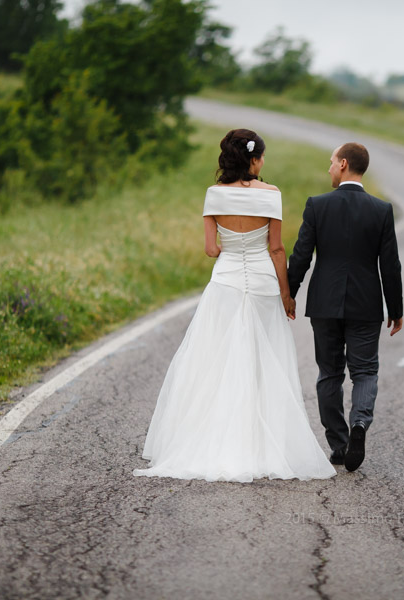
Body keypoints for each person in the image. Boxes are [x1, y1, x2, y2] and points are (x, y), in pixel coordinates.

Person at [133, 128, 336, 483]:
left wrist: (230, 243)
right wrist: (287, 295)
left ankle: (216, 439)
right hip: (261, 283)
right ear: (254, 160)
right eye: (262, 157)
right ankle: (261, 443)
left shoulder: (213, 195)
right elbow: (276, 249)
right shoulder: (272, 194)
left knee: (217, 360)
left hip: (226, 283)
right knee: (262, 362)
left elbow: (211, 250)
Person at [287, 142, 403, 473]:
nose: (328, 168)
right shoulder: (381, 210)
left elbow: (301, 255)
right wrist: (395, 308)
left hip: (324, 303)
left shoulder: (317, 206)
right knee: (365, 371)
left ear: (343, 164)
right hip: (366, 305)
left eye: (330, 162)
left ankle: (339, 445)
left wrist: (290, 293)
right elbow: (390, 266)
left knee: (330, 374)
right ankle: (360, 425)